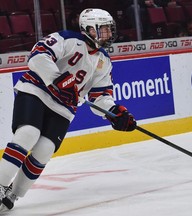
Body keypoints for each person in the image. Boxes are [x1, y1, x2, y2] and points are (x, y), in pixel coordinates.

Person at [0, 8, 137, 212]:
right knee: (28, 133)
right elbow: (37, 56)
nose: (109, 34)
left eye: (109, 30)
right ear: (89, 28)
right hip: (36, 90)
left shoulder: (104, 61)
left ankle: (13, 194)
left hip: (64, 107)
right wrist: (56, 79)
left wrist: (114, 112)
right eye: (104, 30)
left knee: (45, 149)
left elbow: (100, 96)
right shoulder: (67, 39)